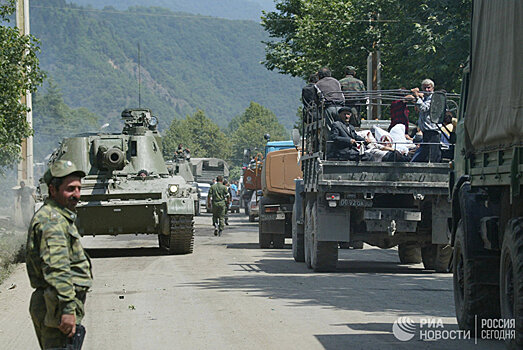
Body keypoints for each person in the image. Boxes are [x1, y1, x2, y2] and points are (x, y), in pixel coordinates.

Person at [26, 160, 92, 350]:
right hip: (55, 306)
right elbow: (57, 268)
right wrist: (67, 309)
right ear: (52, 190)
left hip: (55, 304)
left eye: (79, 189)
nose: (76, 195)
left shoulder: (57, 216)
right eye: (70, 189)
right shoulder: (52, 221)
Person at [411, 79, 441, 162]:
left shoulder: (434, 98)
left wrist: (417, 96)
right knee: (424, 153)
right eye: (424, 88)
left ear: (433, 88)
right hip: (425, 131)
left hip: (433, 131)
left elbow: (424, 108)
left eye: (429, 88)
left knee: (433, 155)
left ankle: (434, 168)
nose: (427, 90)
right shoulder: (425, 98)